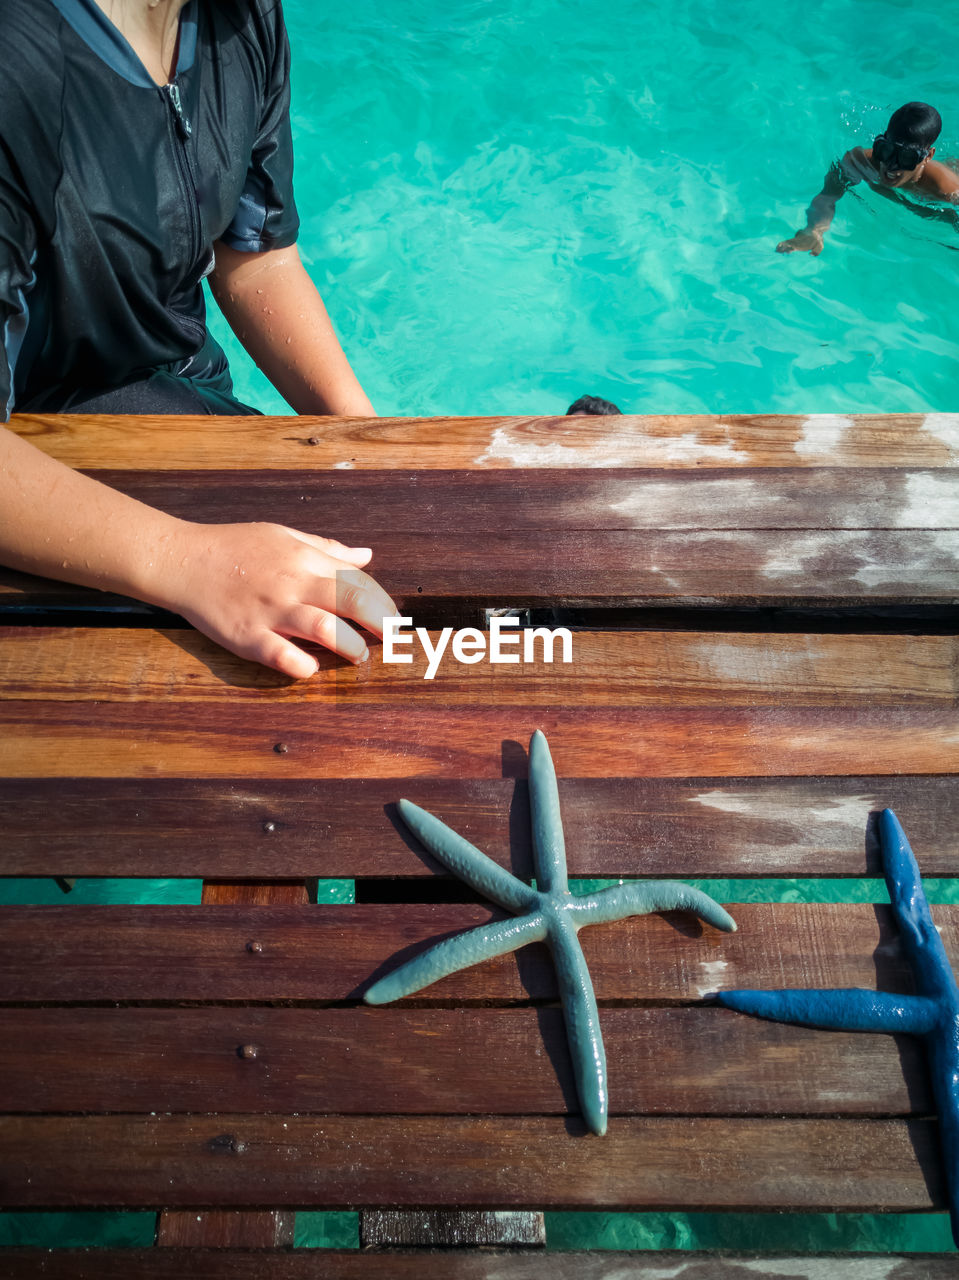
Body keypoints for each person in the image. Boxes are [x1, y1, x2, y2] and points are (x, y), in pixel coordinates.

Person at [0, 0, 396, 679]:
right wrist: (185, 560)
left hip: (182, 415)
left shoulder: (239, 19)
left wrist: (367, 445)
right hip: (46, 469)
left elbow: (256, 254)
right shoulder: (18, 56)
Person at [776, 101, 959, 257]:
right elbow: (828, 195)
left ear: (928, 156)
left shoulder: (946, 190)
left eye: (906, 158)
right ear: (880, 142)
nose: (891, 166)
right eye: (886, 151)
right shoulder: (859, 161)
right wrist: (813, 230)